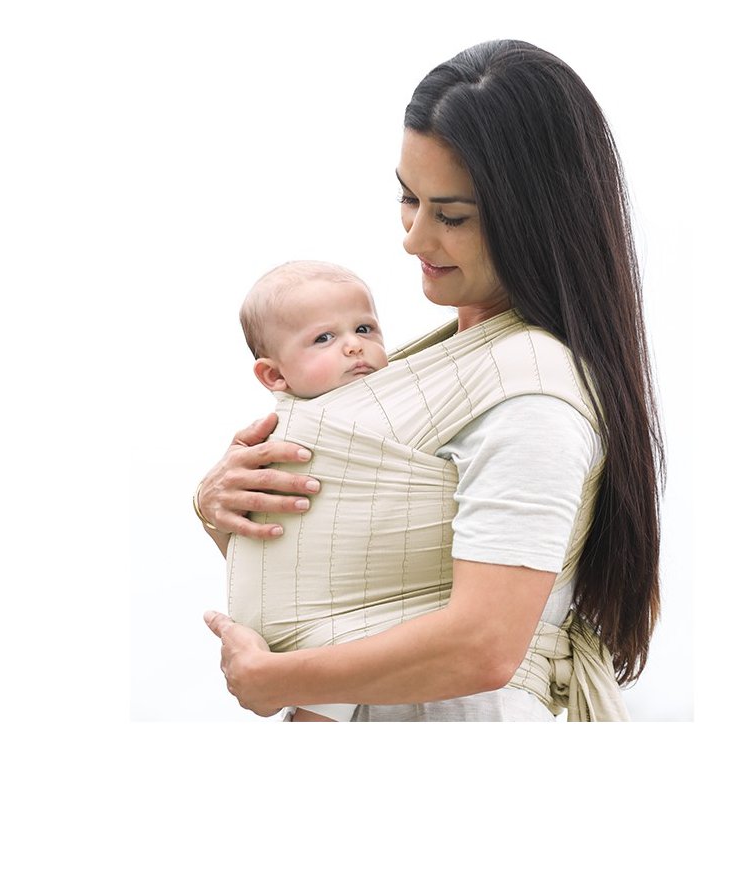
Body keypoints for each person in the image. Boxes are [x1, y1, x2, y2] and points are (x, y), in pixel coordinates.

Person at [195, 39, 663, 722]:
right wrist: (224, 503)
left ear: (534, 219)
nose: (413, 238)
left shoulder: (532, 395)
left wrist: (274, 680)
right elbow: (351, 576)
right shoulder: (433, 369)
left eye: (451, 215)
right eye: (407, 197)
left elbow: (485, 643)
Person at [228, 259, 389, 722]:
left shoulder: (393, 405)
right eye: (324, 338)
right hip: (310, 614)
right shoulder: (272, 439)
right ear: (274, 377)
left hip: (361, 605)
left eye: (364, 328)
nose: (354, 345)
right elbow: (249, 536)